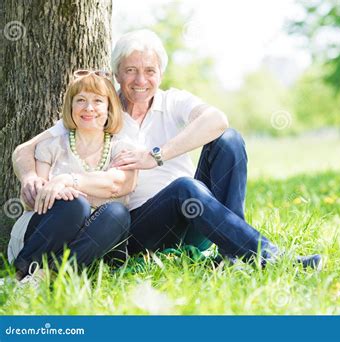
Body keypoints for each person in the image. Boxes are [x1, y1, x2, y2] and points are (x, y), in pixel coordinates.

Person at [12, 30, 322, 269]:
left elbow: (217, 120)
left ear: (161, 73)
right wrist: (29, 178)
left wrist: (155, 155)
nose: (141, 80)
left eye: (150, 70)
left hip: (199, 216)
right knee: (184, 188)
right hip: (139, 228)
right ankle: (273, 259)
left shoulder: (173, 101)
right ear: (117, 73)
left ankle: (233, 251)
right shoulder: (99, 111)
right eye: (131, 70)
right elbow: (25, 150)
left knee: (229, 139)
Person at [7, 71, 137, 283]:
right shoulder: (51, 146)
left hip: (95, 241)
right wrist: (82, 196)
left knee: (117, 212)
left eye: (97, 101)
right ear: (71, 106)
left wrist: (68, 182)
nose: (89, 108)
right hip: (47, 238)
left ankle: (44, 278)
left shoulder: (121, 149)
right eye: (81, 101)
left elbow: (118, 186)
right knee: (75, 205)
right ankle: (18, 275)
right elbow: (41, 201)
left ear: (109, 108)